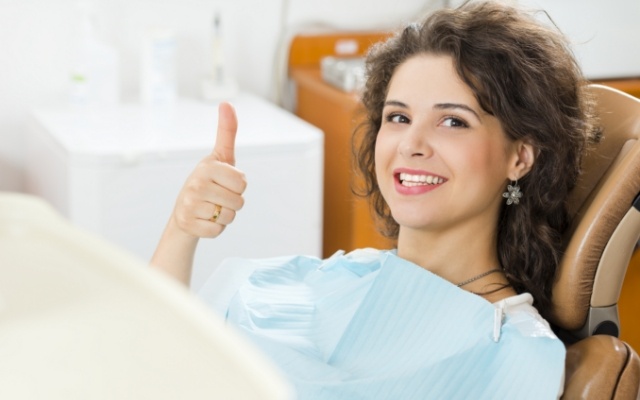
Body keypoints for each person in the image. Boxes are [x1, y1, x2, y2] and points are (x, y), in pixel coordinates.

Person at [152, 1, 597, 398]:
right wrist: (181, 229)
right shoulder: (335, 277)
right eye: (398, 117)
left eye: (453, 122)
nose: (411, 144)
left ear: (520, 157)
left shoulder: (512, 354)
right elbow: (151, 361)